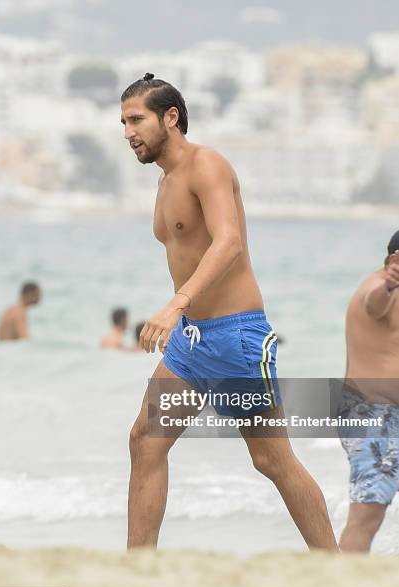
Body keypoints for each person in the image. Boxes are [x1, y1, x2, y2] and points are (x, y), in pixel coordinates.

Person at [121, 73, 338, 551]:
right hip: (191, 343)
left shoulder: (208, 165)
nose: (128, 132)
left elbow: (229, 242)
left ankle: (337, 570)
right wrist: (183, 315)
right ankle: (136, 572)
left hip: (236, 338)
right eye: (123, 123)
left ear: (170, 117)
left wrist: (177, 303)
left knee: (271, 459)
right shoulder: (164, 182)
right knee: (145, 440)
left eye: (136, 120)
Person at [339, 232, 399, 553]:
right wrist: (389, 284)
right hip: (375, 417)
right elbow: (374, 303)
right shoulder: (379, 289)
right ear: (395, 260)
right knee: (366, 515)